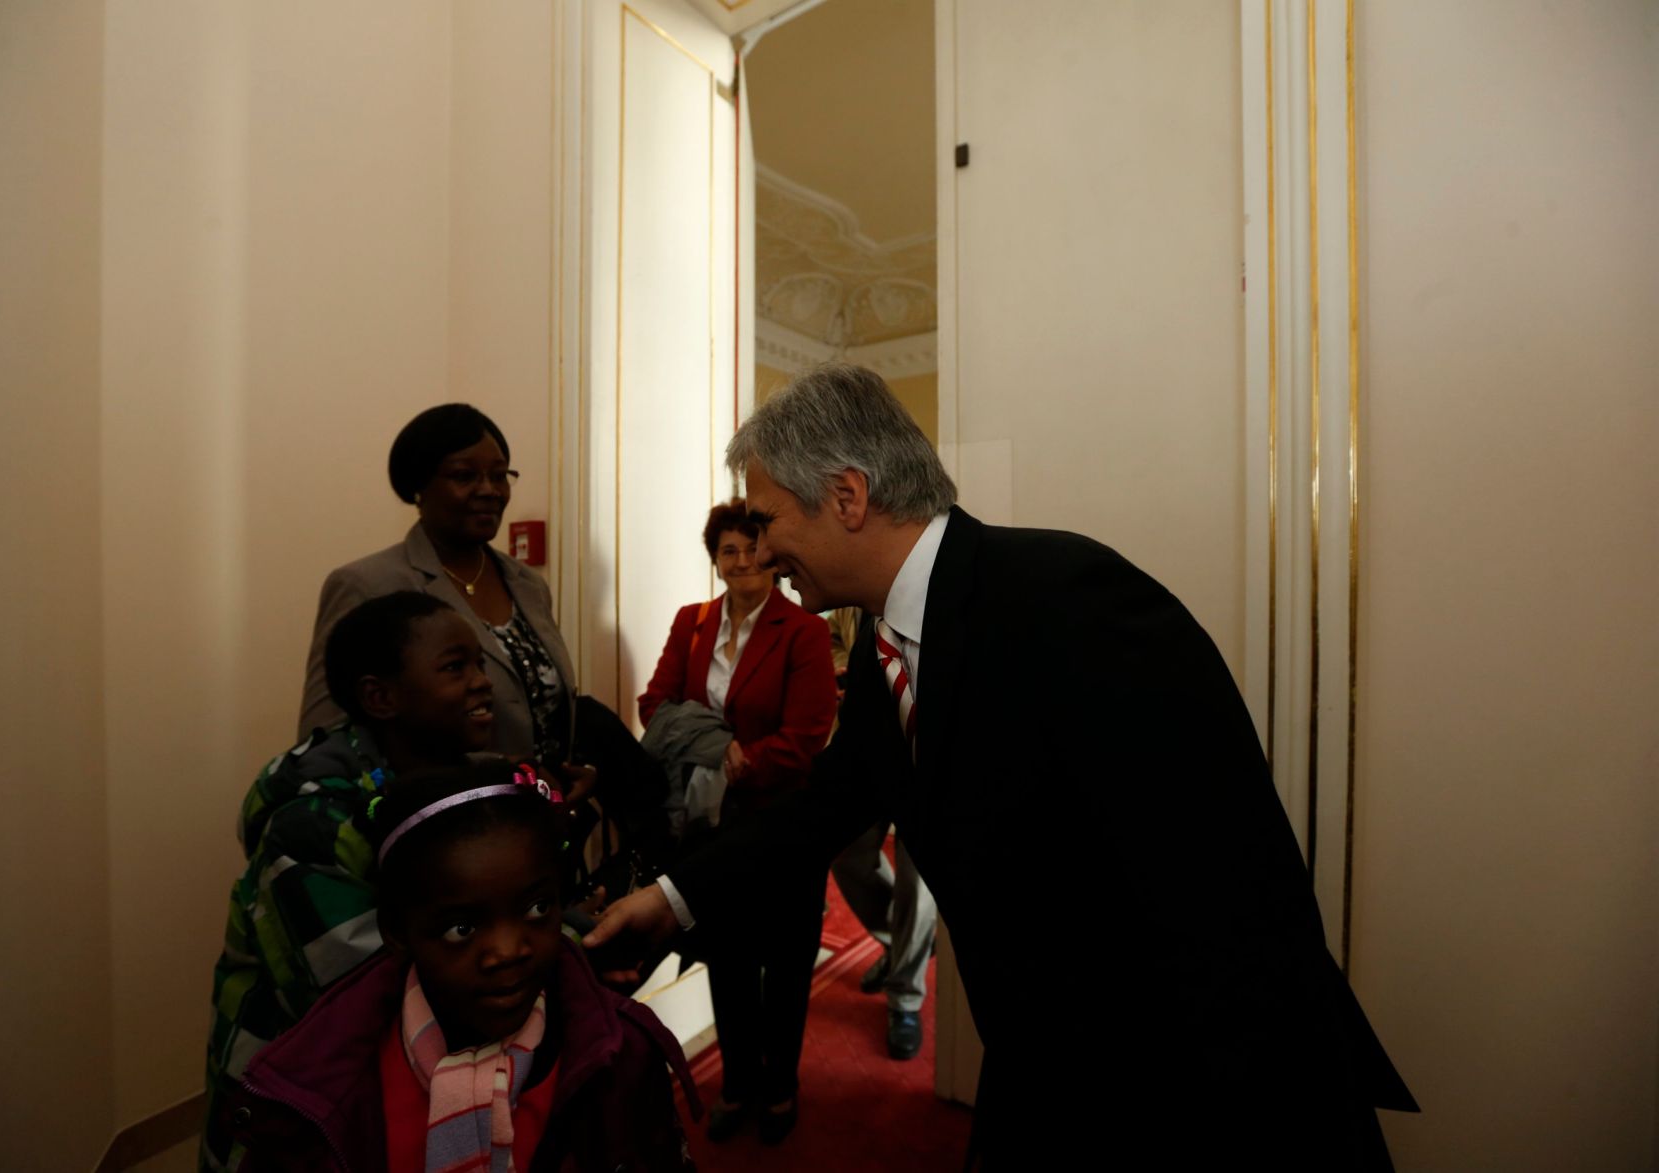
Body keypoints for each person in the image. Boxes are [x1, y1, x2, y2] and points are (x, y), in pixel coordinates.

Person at [588, 364, 1417, 1169]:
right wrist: (671, 899)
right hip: (1052, 1069)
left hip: (1190, 1094)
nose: (761, 553)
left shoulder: (1069, 599)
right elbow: (823, 810)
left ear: (845, 497)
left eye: (767, 522)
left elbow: (1218, 882)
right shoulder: (885, 645)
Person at [230, 761, 701, 1171]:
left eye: (537, 909)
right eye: (461, 930)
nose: (508, 951)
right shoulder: (326, 1077)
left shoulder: (619, 1055)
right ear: (397, 932)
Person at [202, 591, 496, 1172]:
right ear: (380, 698)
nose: (483, 682)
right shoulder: (307, 825)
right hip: (295, 1110)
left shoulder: (457, 780)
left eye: (481, 663)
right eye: (455, 667)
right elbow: (365, 989)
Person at [635, 499, 838, 1146]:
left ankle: (781, 1084)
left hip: (784, 826)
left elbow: (804, 737)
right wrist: (716, 746)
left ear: (772, 555)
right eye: (729, 549)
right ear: (715, 559)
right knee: (726, 955)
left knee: (784, 961)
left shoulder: (803, 629)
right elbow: (654, 705)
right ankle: (738, 1081)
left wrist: (741, 759)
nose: (743, 559)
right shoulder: (692, 623)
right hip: (709, 826)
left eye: (753, 546)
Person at [298, 404, 577, 779]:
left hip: (536, 822)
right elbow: (327, 738)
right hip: (439, 822)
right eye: (464, 476)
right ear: (419, 487)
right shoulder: (366, 584)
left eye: (499, 476)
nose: (489, 490)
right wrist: (499, 774)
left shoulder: (529, 586)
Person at [825, 608, 939, 1062]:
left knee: (918, 882)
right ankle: (903, 943)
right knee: (846, 854)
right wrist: (841, 663)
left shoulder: (933, 589)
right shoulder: (853, 593)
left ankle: (905, 1000)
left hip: (924, 757)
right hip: (863, 749)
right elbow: (836, 634)